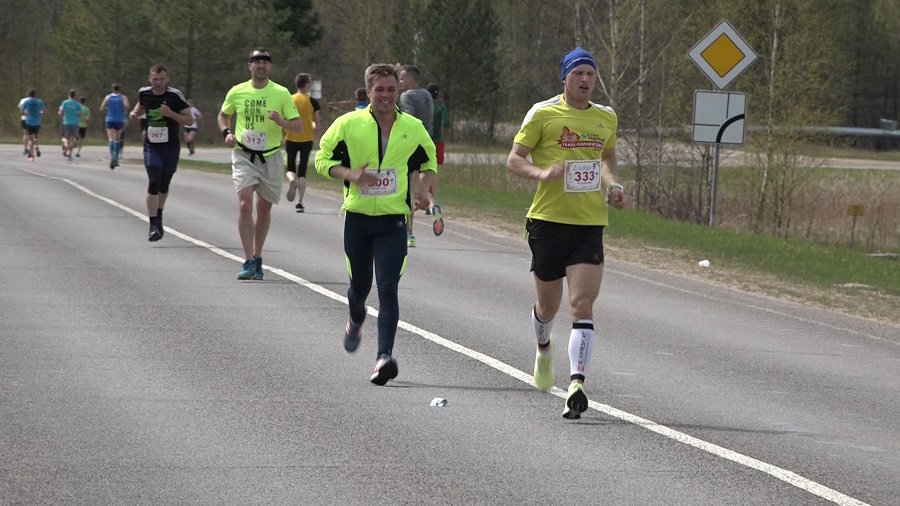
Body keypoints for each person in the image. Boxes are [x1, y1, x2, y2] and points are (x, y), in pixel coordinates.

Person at [506, 47, 626, 420]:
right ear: (565, 78)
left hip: (589, 224)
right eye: (578, 74)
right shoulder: (543, 113)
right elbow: (514, 159)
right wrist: (540, 173)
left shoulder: (606, 117)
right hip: (548, 221)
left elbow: (606, 157)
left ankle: (576, 383)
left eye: (590, 74)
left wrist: (613, 184)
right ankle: (543, 347)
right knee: (548, 307)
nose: (585, 80)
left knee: (581, 305)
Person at [314, 63, 438, 386]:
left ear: (398, 92)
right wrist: (350, 174)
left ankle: (384, 357)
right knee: (360, 288)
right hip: (357, 219)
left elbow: (429, 160)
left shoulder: (412, 127)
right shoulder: (348, 124)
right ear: (368, 92)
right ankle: (356, 317)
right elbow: (321, 159)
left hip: (393, 221)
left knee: (388, 287)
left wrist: (424, 188)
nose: (385, 95)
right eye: (379, 90)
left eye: (391, 90)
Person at [217, 48, 302, 280]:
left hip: (271, 156)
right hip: (243, 155)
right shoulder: (237, 91)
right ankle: (248, 260)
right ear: (250, 66)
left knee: (263, 209)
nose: (261, 65)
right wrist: (226, 133)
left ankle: (258, 256)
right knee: (245, 205)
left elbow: (298, 126)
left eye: (265, 62)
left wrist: (281, 121)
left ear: (270, 67)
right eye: (256, 61)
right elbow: (223, 115)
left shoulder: (281, 93)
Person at [128, 64, 193, 242]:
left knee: (164, 183)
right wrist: (134, 113)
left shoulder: (174, 95)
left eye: (162, 79)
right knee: (154, 180)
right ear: (150, 79)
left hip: (171, 146)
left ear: (167, 79)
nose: (158, 83)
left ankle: (159, 214)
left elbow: (189, 120)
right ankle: (153, 224)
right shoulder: (144, 93)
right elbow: (141, 106)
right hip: (152, 146)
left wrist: (171, 114)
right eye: (155, 79)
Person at [398, 64, 433, 247]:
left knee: (406, 191)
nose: (400, 82)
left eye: (402, 78)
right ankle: (424, 195)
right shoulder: (427, 95)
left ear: (411, 79)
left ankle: (409, 232)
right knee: (417, 184)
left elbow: (408, 119)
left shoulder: (406, 96)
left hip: (410, 145)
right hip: (427, 143)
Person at [284, 72, 321, 212]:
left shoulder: (290, 99)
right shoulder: (312, 102)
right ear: (306, 84)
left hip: (291, 137)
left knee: (290, 166)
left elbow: (285, 118)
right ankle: (299, 202)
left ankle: (291, 180)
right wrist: (313, 128)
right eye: (310, 82)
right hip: (306, 138)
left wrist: (283, 132)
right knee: (303, 170)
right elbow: (316, 123)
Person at [100, 83, 130, 169]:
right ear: (120, 89)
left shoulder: (108, 97)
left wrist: (108, 109)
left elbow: (101, 108)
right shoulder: (123, 97)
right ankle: (116, 158)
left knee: (111, 139)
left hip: (110, 119)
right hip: (120, 119)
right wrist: (123, 111)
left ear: (112, 89)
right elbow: (127, 106)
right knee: (117, 139)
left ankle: (112, 156)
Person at [19, 89, 45, 161]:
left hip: (29, 121)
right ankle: (35, 146)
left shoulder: (26, 102)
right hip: (37, 122)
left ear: (29, 94)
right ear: (35, 95)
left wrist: (27, 113)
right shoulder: (39, 101)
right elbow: (43, 111)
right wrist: (39, 114)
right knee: (35, 136)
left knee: (30, 138)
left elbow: (21, 111)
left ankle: (31, 154)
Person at [58, 89, 82, 162]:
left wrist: (63, 115)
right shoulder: (77, 104)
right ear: (75, 96)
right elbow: (80, 114)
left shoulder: (65, 102)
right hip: (75, 123)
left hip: (67, 122)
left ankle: (65, 146)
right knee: (72, 139)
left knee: (66, 137)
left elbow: (60, 112)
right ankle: (70, 154)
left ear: (69, 95)